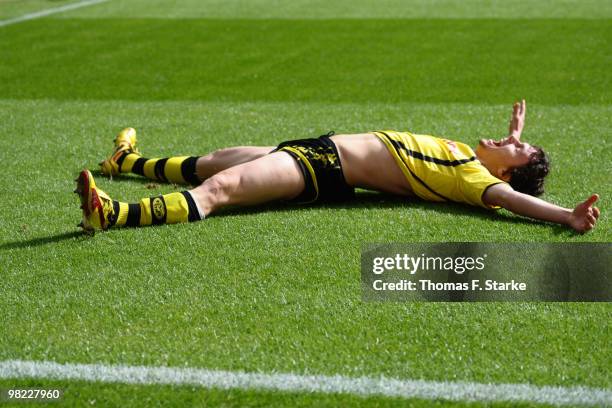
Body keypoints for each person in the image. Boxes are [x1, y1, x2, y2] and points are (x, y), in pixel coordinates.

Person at [74, 100, 600, 234]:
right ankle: (126, 161)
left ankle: (113, 214)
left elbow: (513, 198)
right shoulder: (470, 155)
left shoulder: (477, 179)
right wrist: (514, 138)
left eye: (516, 148)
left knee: (220, 188)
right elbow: (509, 159)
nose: (506, 140)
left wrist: (565, 216)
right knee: (209, 163)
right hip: (316, 149)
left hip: (325, 170)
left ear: (506, 173)